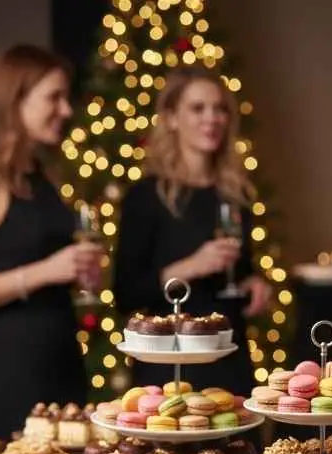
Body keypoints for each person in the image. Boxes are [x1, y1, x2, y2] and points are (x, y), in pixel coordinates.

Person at [0, 45, 101, 439]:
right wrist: (47, 271)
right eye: (53, 97)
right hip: (12, 368)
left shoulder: (43, 175)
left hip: (62, 356)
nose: (65, 110)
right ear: (15, 100)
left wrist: (80, 275)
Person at [113, 67, 272, 395]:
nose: (212, 118)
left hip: (228, 355)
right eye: (198, 108)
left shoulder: (236, 193)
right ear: (171, 118)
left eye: (220, 109)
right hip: (168, 363)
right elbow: (126, 293)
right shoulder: (146, 195)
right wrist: (189, 268)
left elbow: (240, 272)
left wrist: (253, 283)